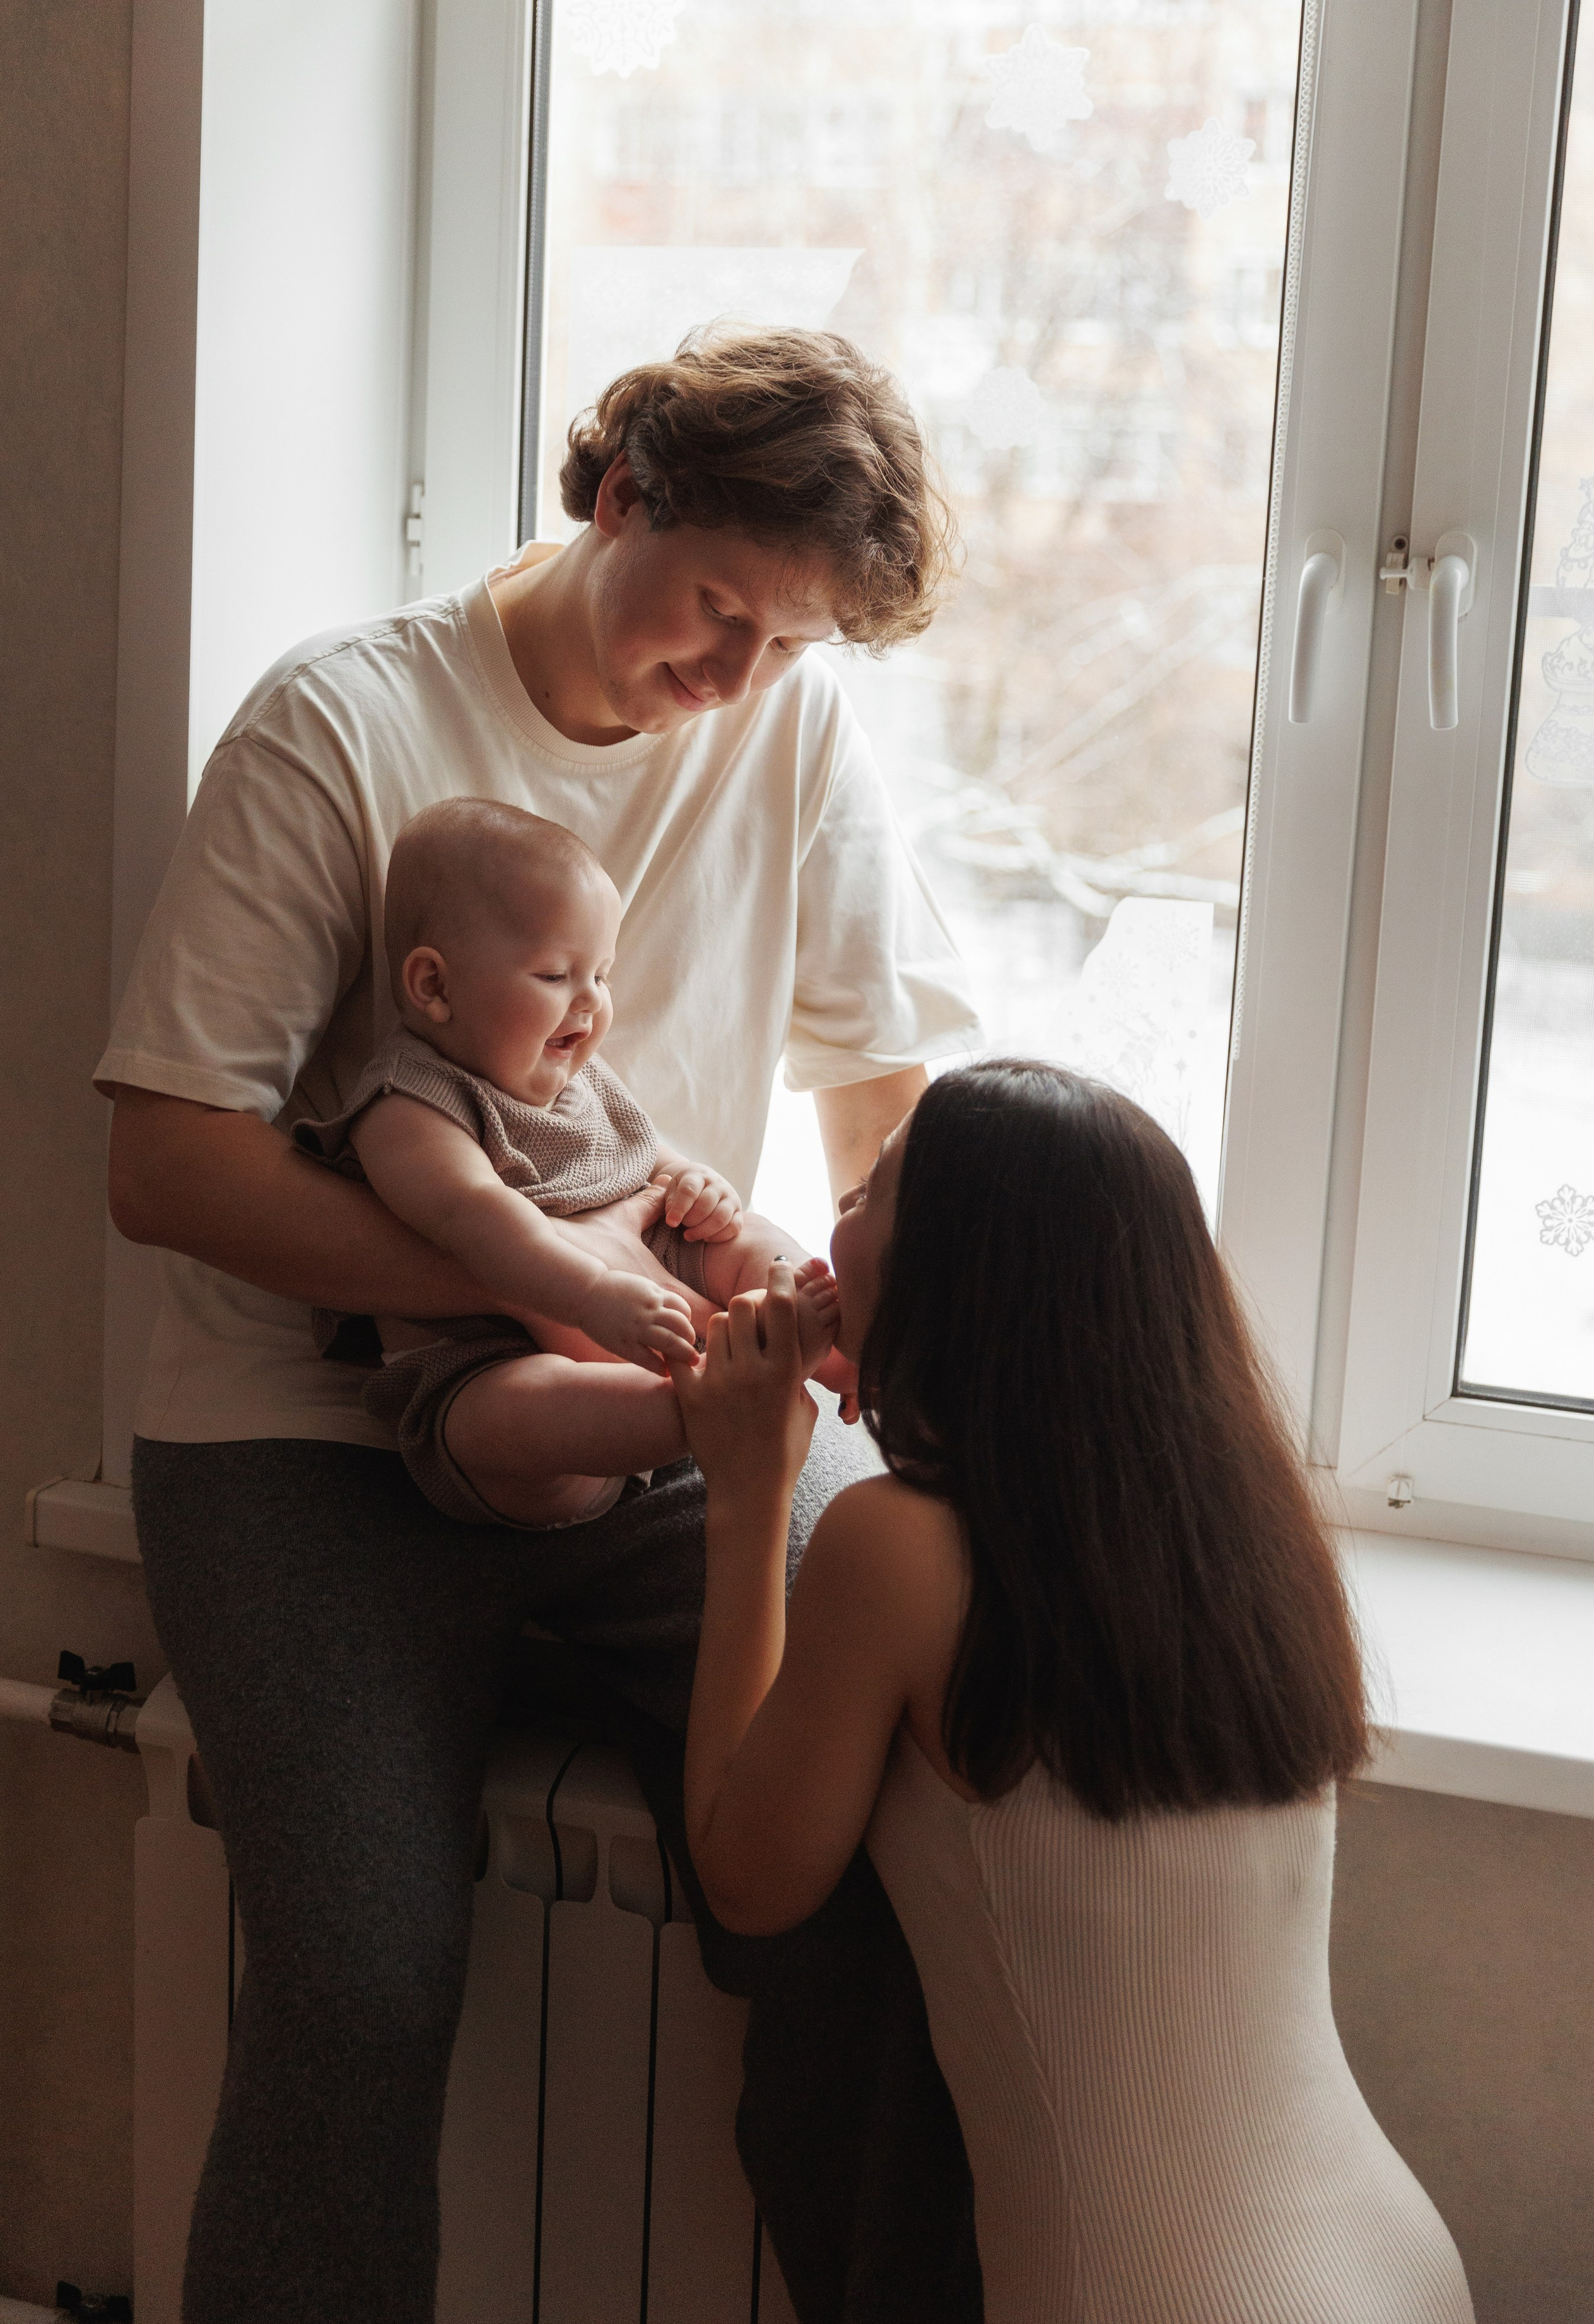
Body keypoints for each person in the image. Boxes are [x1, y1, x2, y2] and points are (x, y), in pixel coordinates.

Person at [98, 326, 986, 2324]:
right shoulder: (340, 727)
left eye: (791, 643)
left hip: (671, 1430)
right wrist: (568, 1288)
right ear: (623, 496)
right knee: (360, 1969)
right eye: (719, 612)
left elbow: (882, 1099)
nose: (737, 679)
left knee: (879, 1884)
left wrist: (859, 1347)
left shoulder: (788, 727)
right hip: (307, 1446)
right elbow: (167, 1166)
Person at [673, 1060, 1477, 2324]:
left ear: (953, 1273)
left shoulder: (892, 1548)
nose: (836, 1207)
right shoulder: (1242, 1539)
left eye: (873, 1185)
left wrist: (747, 1485)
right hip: (1388, 2269)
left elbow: (744, 1874)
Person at [295, 794, 843, 1529]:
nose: (588, 1004)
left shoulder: (576, 1068)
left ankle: (828, 1344)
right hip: (491, 1352)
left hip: (644, 1293)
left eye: (601, 975)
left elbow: (644, 1154)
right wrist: (589, 1297)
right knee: (509, 1413)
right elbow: (477, 1220)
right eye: (555, 976)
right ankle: (705, 1408)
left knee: (750, 1235)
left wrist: (694, 1187)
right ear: (433, 985)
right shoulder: (407, 1105)